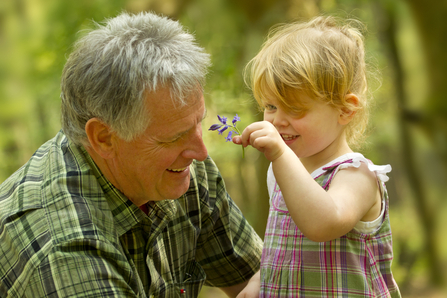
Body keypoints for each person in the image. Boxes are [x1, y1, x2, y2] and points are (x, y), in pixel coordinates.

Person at [0, 11, 263, 298]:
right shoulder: (65, 247)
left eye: (197, 123)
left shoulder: (181, 169)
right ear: (104, 138)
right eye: (173, 138)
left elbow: (270, 279)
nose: (200, 153)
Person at [233, 16, 401, 297]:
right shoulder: (281, 172)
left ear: (345, 110)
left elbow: (323, 224)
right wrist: (257, 281)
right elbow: (284, 247)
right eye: (271, 106)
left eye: (295, 109)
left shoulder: (357, 175)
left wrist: (279, 155)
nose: (277, 120)